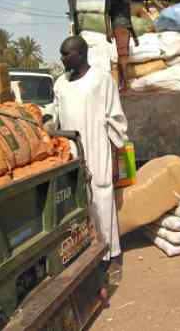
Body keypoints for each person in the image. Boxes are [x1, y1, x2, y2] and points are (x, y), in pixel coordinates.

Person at [53, 36, 129, 291]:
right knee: (78, 205)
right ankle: (84, 254)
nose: (63, 58)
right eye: (62, 54)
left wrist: (116, 156)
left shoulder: (101, 80)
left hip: (97, 151)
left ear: (81, 53)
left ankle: (110, 255)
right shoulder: (60, 84)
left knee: (101, 201)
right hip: (71, 156)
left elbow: (116, 119)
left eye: (67, 54)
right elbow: (56, 116)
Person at [105, 0, 139, 91]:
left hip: (127, 28)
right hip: (119, 27)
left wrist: (134, 36)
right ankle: (127, 85)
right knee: (123, 56)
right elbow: (107, 13)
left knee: (122, 56)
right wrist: (108, 31)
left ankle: (122, 85)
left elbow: (128, 16)